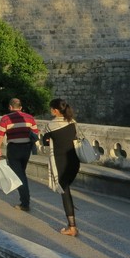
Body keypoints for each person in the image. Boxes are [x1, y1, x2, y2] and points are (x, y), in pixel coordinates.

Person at [42, 98, 81, 237]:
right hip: (74, 162)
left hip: (61, 162)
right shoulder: (72, 122)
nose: (50, 111)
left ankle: (72, 227)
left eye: (51, 108)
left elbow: (44, 141)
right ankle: (72, 220)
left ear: (56, 110)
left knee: (65, 193)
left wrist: (49, 140)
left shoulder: (51, 126)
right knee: (66, 190)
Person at [0, 97, 39, 211]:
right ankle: (25, 200)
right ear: (20, 108)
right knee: (21, 173)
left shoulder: (5, 119)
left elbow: (0, 134)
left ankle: (25, 203)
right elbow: (35, 133)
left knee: (20, 175)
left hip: (14, 148)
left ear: (10, 107)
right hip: (26, 148)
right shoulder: (30, 118)